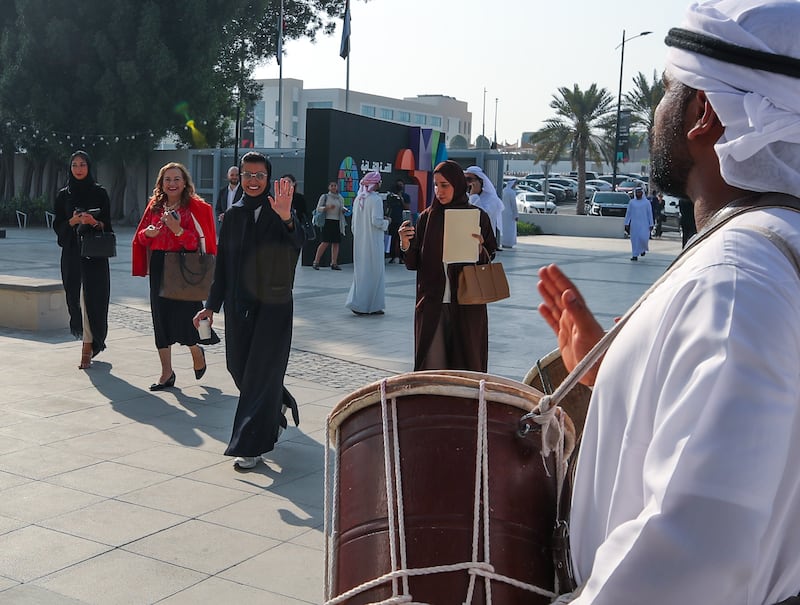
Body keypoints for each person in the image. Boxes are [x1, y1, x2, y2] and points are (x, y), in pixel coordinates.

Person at [537, 1, 800, 602]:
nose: (657, 111)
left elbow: (692, 559)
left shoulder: (735, 282)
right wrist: (617, 372)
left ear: (702, 113)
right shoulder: (768, 256)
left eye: (665, 90)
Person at [193, 152, 304, 470]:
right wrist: (210, 307)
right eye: (247, 174)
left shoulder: (280, 211)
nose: (253, 180)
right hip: (239, 306)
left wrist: (286, 217)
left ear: (268, 179)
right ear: (239, 177)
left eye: (259, 175)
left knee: (257, 376)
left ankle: (251, 445)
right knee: (238, 368)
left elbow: (298, 242)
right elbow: (223, 267)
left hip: (274, 307)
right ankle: (277, 403)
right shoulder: (233, 215)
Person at [400, 160, 498, 371]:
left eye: (445, 185)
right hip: (433, 303)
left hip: (467, 303)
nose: (439, 191)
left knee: (465, 365)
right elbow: (414, 262)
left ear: (457, 184)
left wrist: (480, 248)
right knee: (432, 368)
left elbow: (490, 255)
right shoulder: (427, 218)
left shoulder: (478, 217)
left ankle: (465, 406)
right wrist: (406, 244)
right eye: (435, 185)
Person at [132, 162, 217, 390]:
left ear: (184, 182)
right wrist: (147, 233)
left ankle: (196, 350)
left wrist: (177, 230)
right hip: (160, 265)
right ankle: (166, 373)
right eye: (167, 179)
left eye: (176, 179)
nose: (172, 183)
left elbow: (200, 244)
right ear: (161, 183)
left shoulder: (196, 208)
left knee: (188, 315)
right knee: (160, 318)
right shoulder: (155, 206)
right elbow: (139, 238)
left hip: (184, 265)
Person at [52, 150, 113, 369]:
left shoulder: (100, 193)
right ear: (70, 168)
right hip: (72, 254)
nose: (79, 169)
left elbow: (108, 225)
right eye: (75, 165)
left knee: (94, 299)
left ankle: (88, 346)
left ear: (89, 167)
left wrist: (93, 221)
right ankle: (88, 340)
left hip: (94, 254)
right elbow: (57, 227)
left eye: (83, 164)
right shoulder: (63, 195)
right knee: (76, 298)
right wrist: (72, 221)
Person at [345, 171, 388, 315]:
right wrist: (387, 222)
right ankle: (369, 305)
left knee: (362, 273)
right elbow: (376, 221)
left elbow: (353, 225)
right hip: (373, 242)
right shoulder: (375, 199)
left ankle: (362, 304)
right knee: (375, 273)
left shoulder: (358, 199)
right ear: (375, 184)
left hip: (360, 242)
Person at [465, 165, 504, 250]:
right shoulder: (466, 196)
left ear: (480, 181)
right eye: (465, 180)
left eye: (469, 180)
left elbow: (481, 216)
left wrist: (474, 196)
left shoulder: (492, 199)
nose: (467, 183)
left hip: (485, 241)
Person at [312, 181, 347, 270]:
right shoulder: (325, 197)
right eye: (332, 186)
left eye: (335, 186)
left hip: (337, 222)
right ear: (329, 187)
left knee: (336, 243)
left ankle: (334, 263)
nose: (334, 187)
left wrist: (343, 210)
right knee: (325, 242)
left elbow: (342, 207)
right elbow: (318, 208)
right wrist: (327, 208)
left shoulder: (340, 198)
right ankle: (316, 262)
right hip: (327, 221)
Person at [623, 186, 653, 261]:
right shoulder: (632, 202)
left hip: (644, 224)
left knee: (643, 238)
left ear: (642, 193)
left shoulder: (646, 202)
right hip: (634, 224)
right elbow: (628, 213)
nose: (638, 194)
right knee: (634, 240)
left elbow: (650, 213)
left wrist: (651, 224)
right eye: (637, 192)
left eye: (639, 192)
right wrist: (626, 223)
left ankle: (642, 250)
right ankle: (634, 255)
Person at [385, 181, 408, 263]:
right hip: (392, 220)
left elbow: (407, 207)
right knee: (392, 239)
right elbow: (388, 206)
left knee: (402, 240)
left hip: (401, 221)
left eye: (401, 185)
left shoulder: (405, 196)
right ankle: (393, 256)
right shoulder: (390, 196)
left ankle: (402, 258)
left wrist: (401, 199)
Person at [500, 178, 519, 248]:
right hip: (510, 214)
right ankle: (509, 243)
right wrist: (516, 215)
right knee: (510, 229)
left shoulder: (503, 191)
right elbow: (514, 205)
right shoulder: (511, 192)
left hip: (502, 213)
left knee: (504, 228)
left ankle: (503, 242)